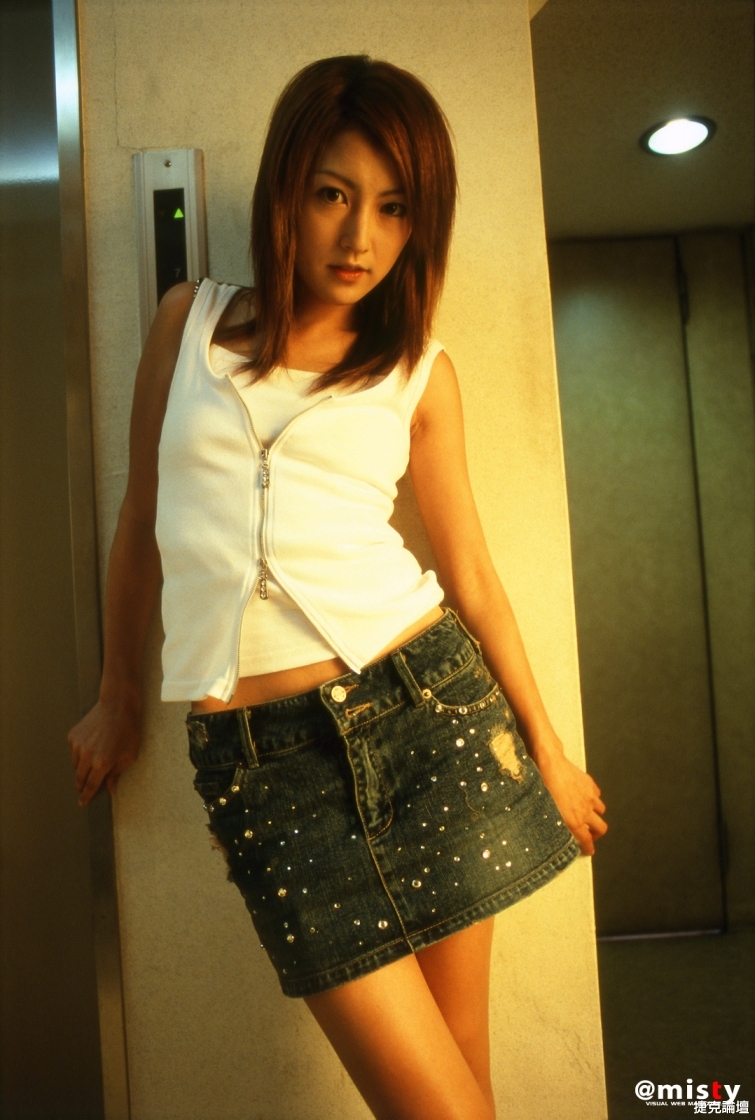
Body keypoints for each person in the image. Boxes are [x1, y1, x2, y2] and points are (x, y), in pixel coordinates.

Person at [68, 55, 607, 1120]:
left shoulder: (419, 372)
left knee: (461, 1087)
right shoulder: (186, 324)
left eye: (394, 208)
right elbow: (141, 523)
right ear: (285, 191)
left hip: (428, 718)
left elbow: (471, 575)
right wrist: (119, 696)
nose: (360, 237)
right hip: (263, 769)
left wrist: (547, 749)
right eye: (333, 194)